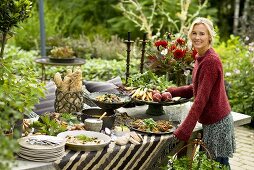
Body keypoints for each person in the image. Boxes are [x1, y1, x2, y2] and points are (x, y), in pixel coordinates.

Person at [167, 17, 235, 168]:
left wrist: (184, 130)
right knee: (210, 164)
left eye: (202, 34)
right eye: (194, 33)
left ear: (210, 36)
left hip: (218, 124)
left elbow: (201, 100)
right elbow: (196, 87)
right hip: (212, 122)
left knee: (218, 166)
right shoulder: (201, 56)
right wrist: (171, 92)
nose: (197, 37)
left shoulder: (210, 61)